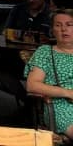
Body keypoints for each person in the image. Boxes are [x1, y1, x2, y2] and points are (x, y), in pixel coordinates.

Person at [26, 10, 73, 140]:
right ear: (53, 30)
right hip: (60, 107)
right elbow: (32, 85)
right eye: (58, 25)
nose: (64, 29)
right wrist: (68, 93)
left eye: (69, 24)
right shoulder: (45, 52)